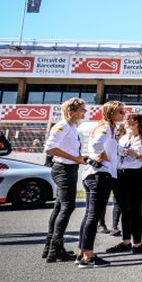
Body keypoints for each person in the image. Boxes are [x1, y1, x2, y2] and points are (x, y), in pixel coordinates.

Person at [76, 101, 125, 267]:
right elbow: (97, 144)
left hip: (93, 175)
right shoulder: (105, 128)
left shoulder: (105, 127)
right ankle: (88, 256)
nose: (123, 115)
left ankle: (82, 253)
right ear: (111, 113)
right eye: (120, 112)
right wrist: (103, 155)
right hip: (100, 176)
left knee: (90, 215)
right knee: (93, 216)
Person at [42, 98, 87, 262]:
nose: (85, 112)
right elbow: (50, 148)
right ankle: (55, 249)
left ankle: (50, 247)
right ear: (72, 112)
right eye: (82, 110)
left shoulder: (72, 127)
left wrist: (77, 158)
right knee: (67, 206)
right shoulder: (63, 125)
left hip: (68, 168)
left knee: (60, 206)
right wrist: (74, 158)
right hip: (63, 169)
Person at [107, 113, 142, 255]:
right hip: (119, 175)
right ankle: (125, 242)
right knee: (124, 209)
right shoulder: (123, 137)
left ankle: (137, 244)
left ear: (137, 122)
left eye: (128, 118)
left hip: (136, 175)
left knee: (135, 209)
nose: (125, 120)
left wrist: (137, 155)